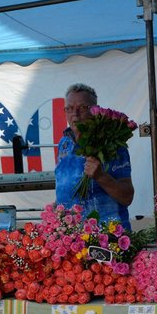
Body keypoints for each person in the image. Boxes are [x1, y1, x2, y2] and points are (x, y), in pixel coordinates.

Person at [54, 83, 135, 230]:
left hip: (107, 237)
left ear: (95, 111)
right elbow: (65, 188)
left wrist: (100, 176)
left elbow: (127, 196)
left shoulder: (112, 144)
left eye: (83, 108)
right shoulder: (64, 144)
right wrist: (54, 212)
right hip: (70, 239)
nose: (75, 114)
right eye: (69, 108)